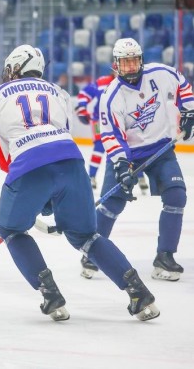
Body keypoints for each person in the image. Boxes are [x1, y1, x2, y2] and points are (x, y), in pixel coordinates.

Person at [0, 44, 159, 322]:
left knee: (11, 228)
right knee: (87, 236)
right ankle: (139, 293)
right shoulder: (59, 93)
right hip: (72, 162)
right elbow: (64, 134)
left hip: (29, 166)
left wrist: (36, 192)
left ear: (15, 68)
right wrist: (54, 190)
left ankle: (51, 297)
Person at [89, 37, 192, 282]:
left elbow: (183, 85)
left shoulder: (161, 73)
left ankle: (164, 256)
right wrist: (122, 164)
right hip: (129, 155)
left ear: (141, 60)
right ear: (116, 65)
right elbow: (111, 135)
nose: (130, 67)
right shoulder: (111, 96)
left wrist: (189, 110)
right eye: (125, 63)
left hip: (161, 149)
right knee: (112, 204)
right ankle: (92, 252)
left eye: (134, 61)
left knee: (176, 195)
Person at [75, 74, 148, 191]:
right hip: (100, 120)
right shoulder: (102, 81)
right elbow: (84, 93)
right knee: (99, 146)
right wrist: (81, 107)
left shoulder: (131, 83)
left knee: (130, 146)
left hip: (122, 120)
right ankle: (91, 177)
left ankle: (139, 176)